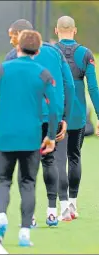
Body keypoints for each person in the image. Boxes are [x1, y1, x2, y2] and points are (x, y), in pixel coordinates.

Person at [0, 30, 58, 247]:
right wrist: (51, 136)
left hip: (5, 136)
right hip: (31, 138)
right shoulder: (43, 74)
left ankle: (1, 217)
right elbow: (54, 109)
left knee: (3, 181)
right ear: (39, 50)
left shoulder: (2, 69)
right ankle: (24, 232)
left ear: (17, 47)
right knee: (28, 183)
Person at [5, 19, 76, 226]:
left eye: (12, 36)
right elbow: (69, 86)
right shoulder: (55, 52)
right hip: (50, 116)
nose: (11, 41)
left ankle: (31, 217)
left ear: (20, 34)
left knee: (27, 165)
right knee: (50, 161)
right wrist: (64, 118)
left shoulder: (13, 56)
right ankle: (52, 213)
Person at [54, 16, 99, 220]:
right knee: (74, 157)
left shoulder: (50, 52)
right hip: (78, 116)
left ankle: (62, 205)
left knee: (59, 159)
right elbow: (93, 88)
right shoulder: (85, 53)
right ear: (75, 30)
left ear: (56, 31)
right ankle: (73, 204)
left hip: (56, 115)